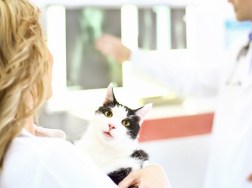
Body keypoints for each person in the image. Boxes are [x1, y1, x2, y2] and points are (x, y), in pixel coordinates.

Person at [95, 0, 252, 187]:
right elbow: (193, 79)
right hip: (226, 176)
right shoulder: (240, 51)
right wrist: (130, 56)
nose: (229, 0)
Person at [0, 0, 170, 188]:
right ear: (27, 62)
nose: (51, 55)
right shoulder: (47, 160)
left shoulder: (23, 152)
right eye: (44, 43)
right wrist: (159, 181)